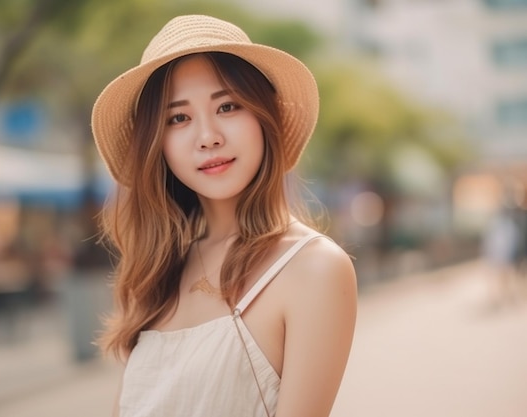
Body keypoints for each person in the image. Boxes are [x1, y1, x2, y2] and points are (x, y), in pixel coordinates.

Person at [91, 14, 357, 417]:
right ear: (157, 144)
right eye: (178, 117)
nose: (208, 136)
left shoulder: (313, 268)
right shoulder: (162, 269)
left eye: (228, 106)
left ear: (264, 118)